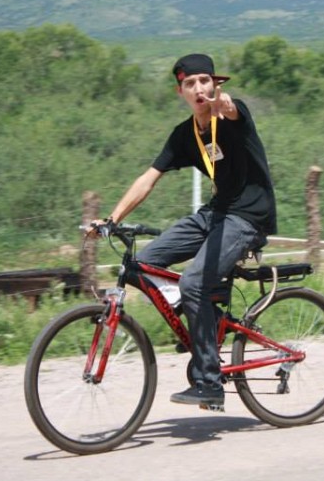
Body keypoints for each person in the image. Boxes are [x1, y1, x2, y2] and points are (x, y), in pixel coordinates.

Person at [94, 53, 277, 408]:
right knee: (143, 264)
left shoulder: (232, 115)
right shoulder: (184, 135)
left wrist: (220, 102)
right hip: (216, 212)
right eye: (190, 84)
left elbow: (228, 106)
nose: (199, 89)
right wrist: (112, 218)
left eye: (204, 81)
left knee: (193, 282)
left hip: (248, 217)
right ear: (180, 90)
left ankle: (210, 382)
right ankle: (206, 321)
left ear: (215, 84)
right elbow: (148, 178)